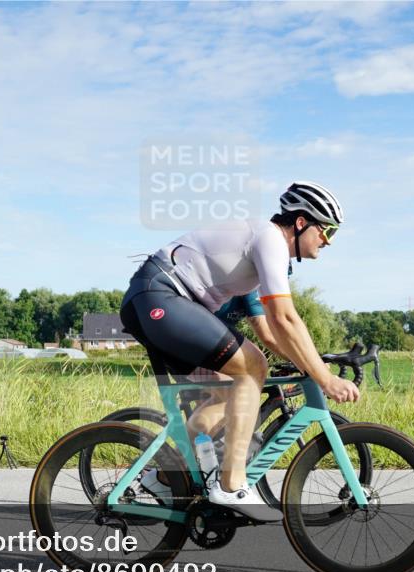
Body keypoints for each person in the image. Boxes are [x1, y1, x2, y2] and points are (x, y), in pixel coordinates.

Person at [120, 181, 359, 521]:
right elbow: (284, 318)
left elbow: (278, 328)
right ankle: (231, 485)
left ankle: (164, 477)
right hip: (161, 296)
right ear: (301, 222)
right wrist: (325, 379)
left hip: (161, 301)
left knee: (226, 392)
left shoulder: (266, 246)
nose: (328, 241)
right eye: (327, 230)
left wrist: (310, 365)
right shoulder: (270, 238)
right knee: (252, 366)